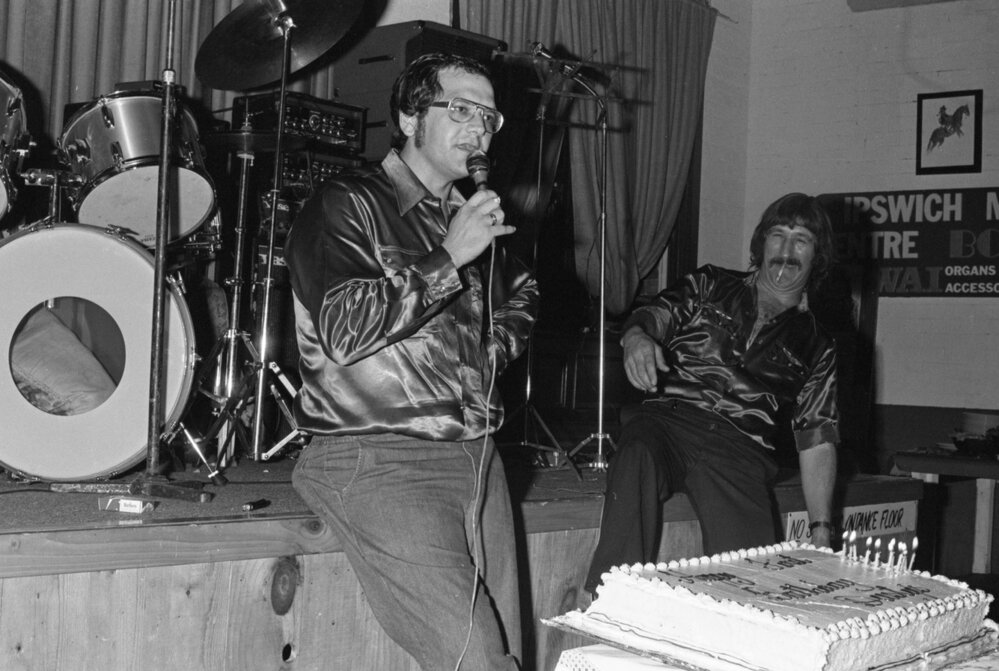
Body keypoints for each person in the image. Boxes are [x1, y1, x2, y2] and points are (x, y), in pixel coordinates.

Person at [284, 53, 537, 670]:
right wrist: (448, 258)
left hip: (479, 459)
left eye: (489, 117)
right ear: (408, 118)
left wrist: (484, 354)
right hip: (381, 457)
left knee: (510, 653)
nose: (479, 128)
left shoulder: (467, 218)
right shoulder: (347, 202)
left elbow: (524, 294)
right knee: (478, 660)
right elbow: (343, 329)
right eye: (461, 109)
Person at [584, 192, 840, 599]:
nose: (786, 250)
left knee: (750, 591)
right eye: (778, 235)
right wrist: (635, 337)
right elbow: (653, 317)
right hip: (669, 423)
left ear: (817, 255)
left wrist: (821, 528)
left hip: (741, 452)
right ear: (762, 243)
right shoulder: (710, 284)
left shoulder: (818, 345)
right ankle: (612, 599)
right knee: (636, 454)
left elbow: (817, 439)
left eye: (801, 240)